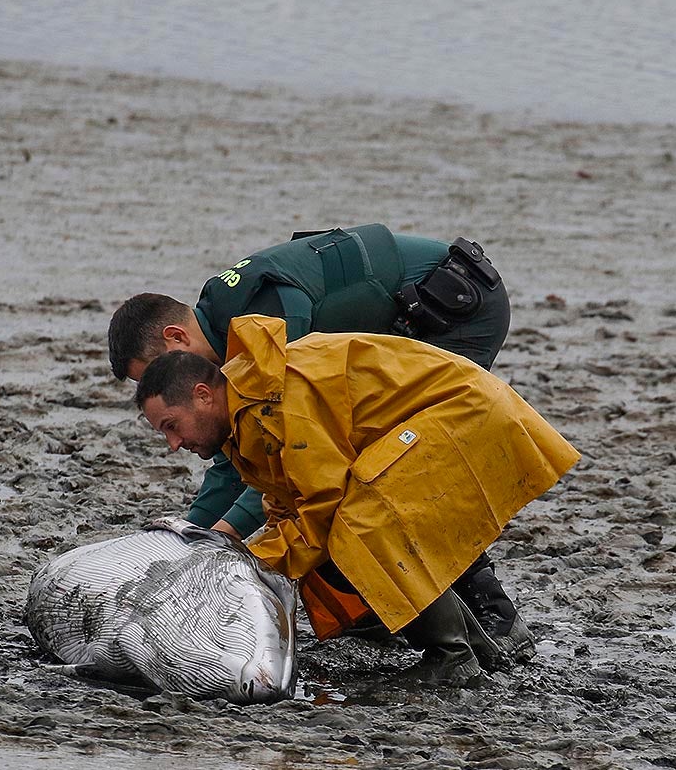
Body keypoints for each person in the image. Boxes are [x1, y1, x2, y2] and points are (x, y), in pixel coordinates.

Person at [107, 224, 535, 661]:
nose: (166, 381)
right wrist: (196, 535)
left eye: (159, 370)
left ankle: (491, 619)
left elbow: (294, 454)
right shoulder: (227, 340)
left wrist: (232, 545)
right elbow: (241, 450)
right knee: (347, 496)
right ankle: (396, 607)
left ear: (176, 339)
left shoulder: (263, 323)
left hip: (455, 307)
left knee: (395, 488)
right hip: (401, 333)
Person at [134, 316, 579, 683]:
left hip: (467, 412)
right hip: (446, 416)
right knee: (328, 536)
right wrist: (254, 554)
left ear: (203, 395)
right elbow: (290, 503)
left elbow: (323, 505)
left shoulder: (280, 399)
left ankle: (453, 657)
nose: (173, 444)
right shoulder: (245, 415)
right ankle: (481, 649)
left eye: (172, 425)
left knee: (361, 524)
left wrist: (247, 565)